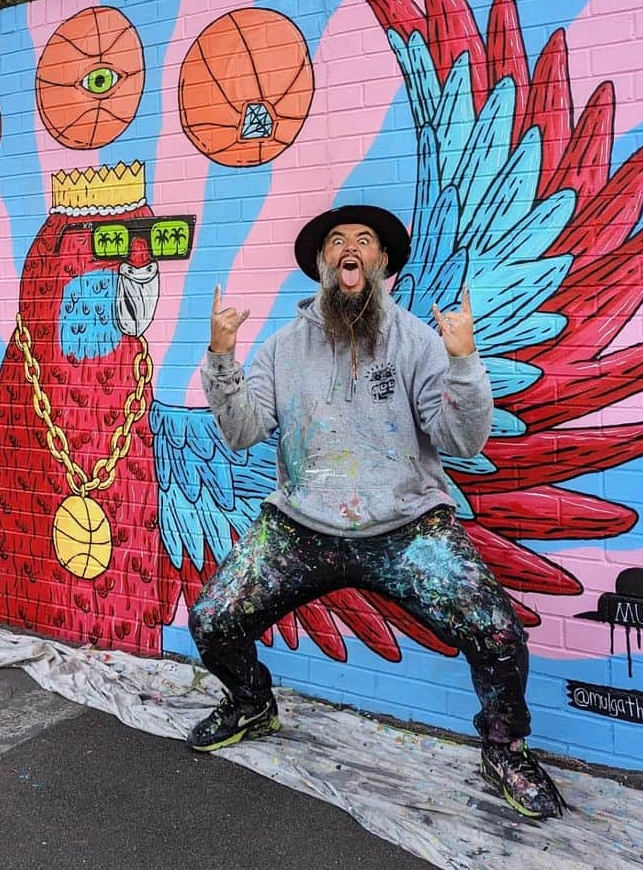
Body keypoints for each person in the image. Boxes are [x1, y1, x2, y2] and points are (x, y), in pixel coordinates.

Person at [187, 204, 566, 820]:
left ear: (383, 262)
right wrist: (222, 358)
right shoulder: (283, 349)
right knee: (212, 622)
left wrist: (465, 364)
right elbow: (242, 430)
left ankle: (505, 750)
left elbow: (463, 441)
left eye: (364, 241)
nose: (349, 249)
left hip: (406, 527)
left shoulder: (417, 340)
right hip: (301, 527)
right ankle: (251, 703)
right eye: (337, 242)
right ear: (322, 264)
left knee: (497, 630)